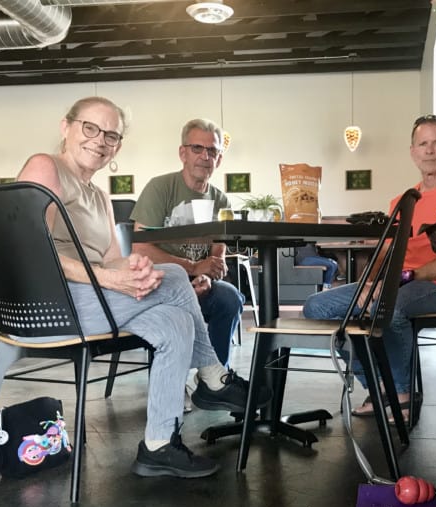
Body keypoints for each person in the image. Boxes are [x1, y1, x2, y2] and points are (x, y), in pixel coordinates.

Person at [16, 97, 268, 479]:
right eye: (90, 128)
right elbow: (30, 250)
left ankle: (158, 445)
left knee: (173, 320)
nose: (100, 141)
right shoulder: (45, 166)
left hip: (88, 298)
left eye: (112, 135)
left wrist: (137, 269)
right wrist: (112, 277)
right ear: (65, 127)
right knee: (176, 277)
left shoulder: (99, 195)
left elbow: (115, 259)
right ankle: (214, 376)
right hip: (49, 304)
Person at [302, 114, 436, 423]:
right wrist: (369, 285)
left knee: (390, 306)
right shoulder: (402, 201)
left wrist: (408, 277)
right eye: (423, 144)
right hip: (397, 283)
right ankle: (377, 384)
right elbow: (386, 254)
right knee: (317, 306)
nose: (430, 150)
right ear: (413, 152)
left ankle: (401, 394)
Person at [130, 119, 244, 375]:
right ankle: (173, 380)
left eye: (212, 151)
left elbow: (219, 246)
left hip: (200, 282)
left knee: (229, 298)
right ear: (183, 153)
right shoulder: (160, 188)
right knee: (177, 311)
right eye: (197, 148)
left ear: (219, 159)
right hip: (162, 283)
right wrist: (191, 267)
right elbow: (140, 249)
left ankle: (214, 378)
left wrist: (206, 272)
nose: (205, 156)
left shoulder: (220, 198)